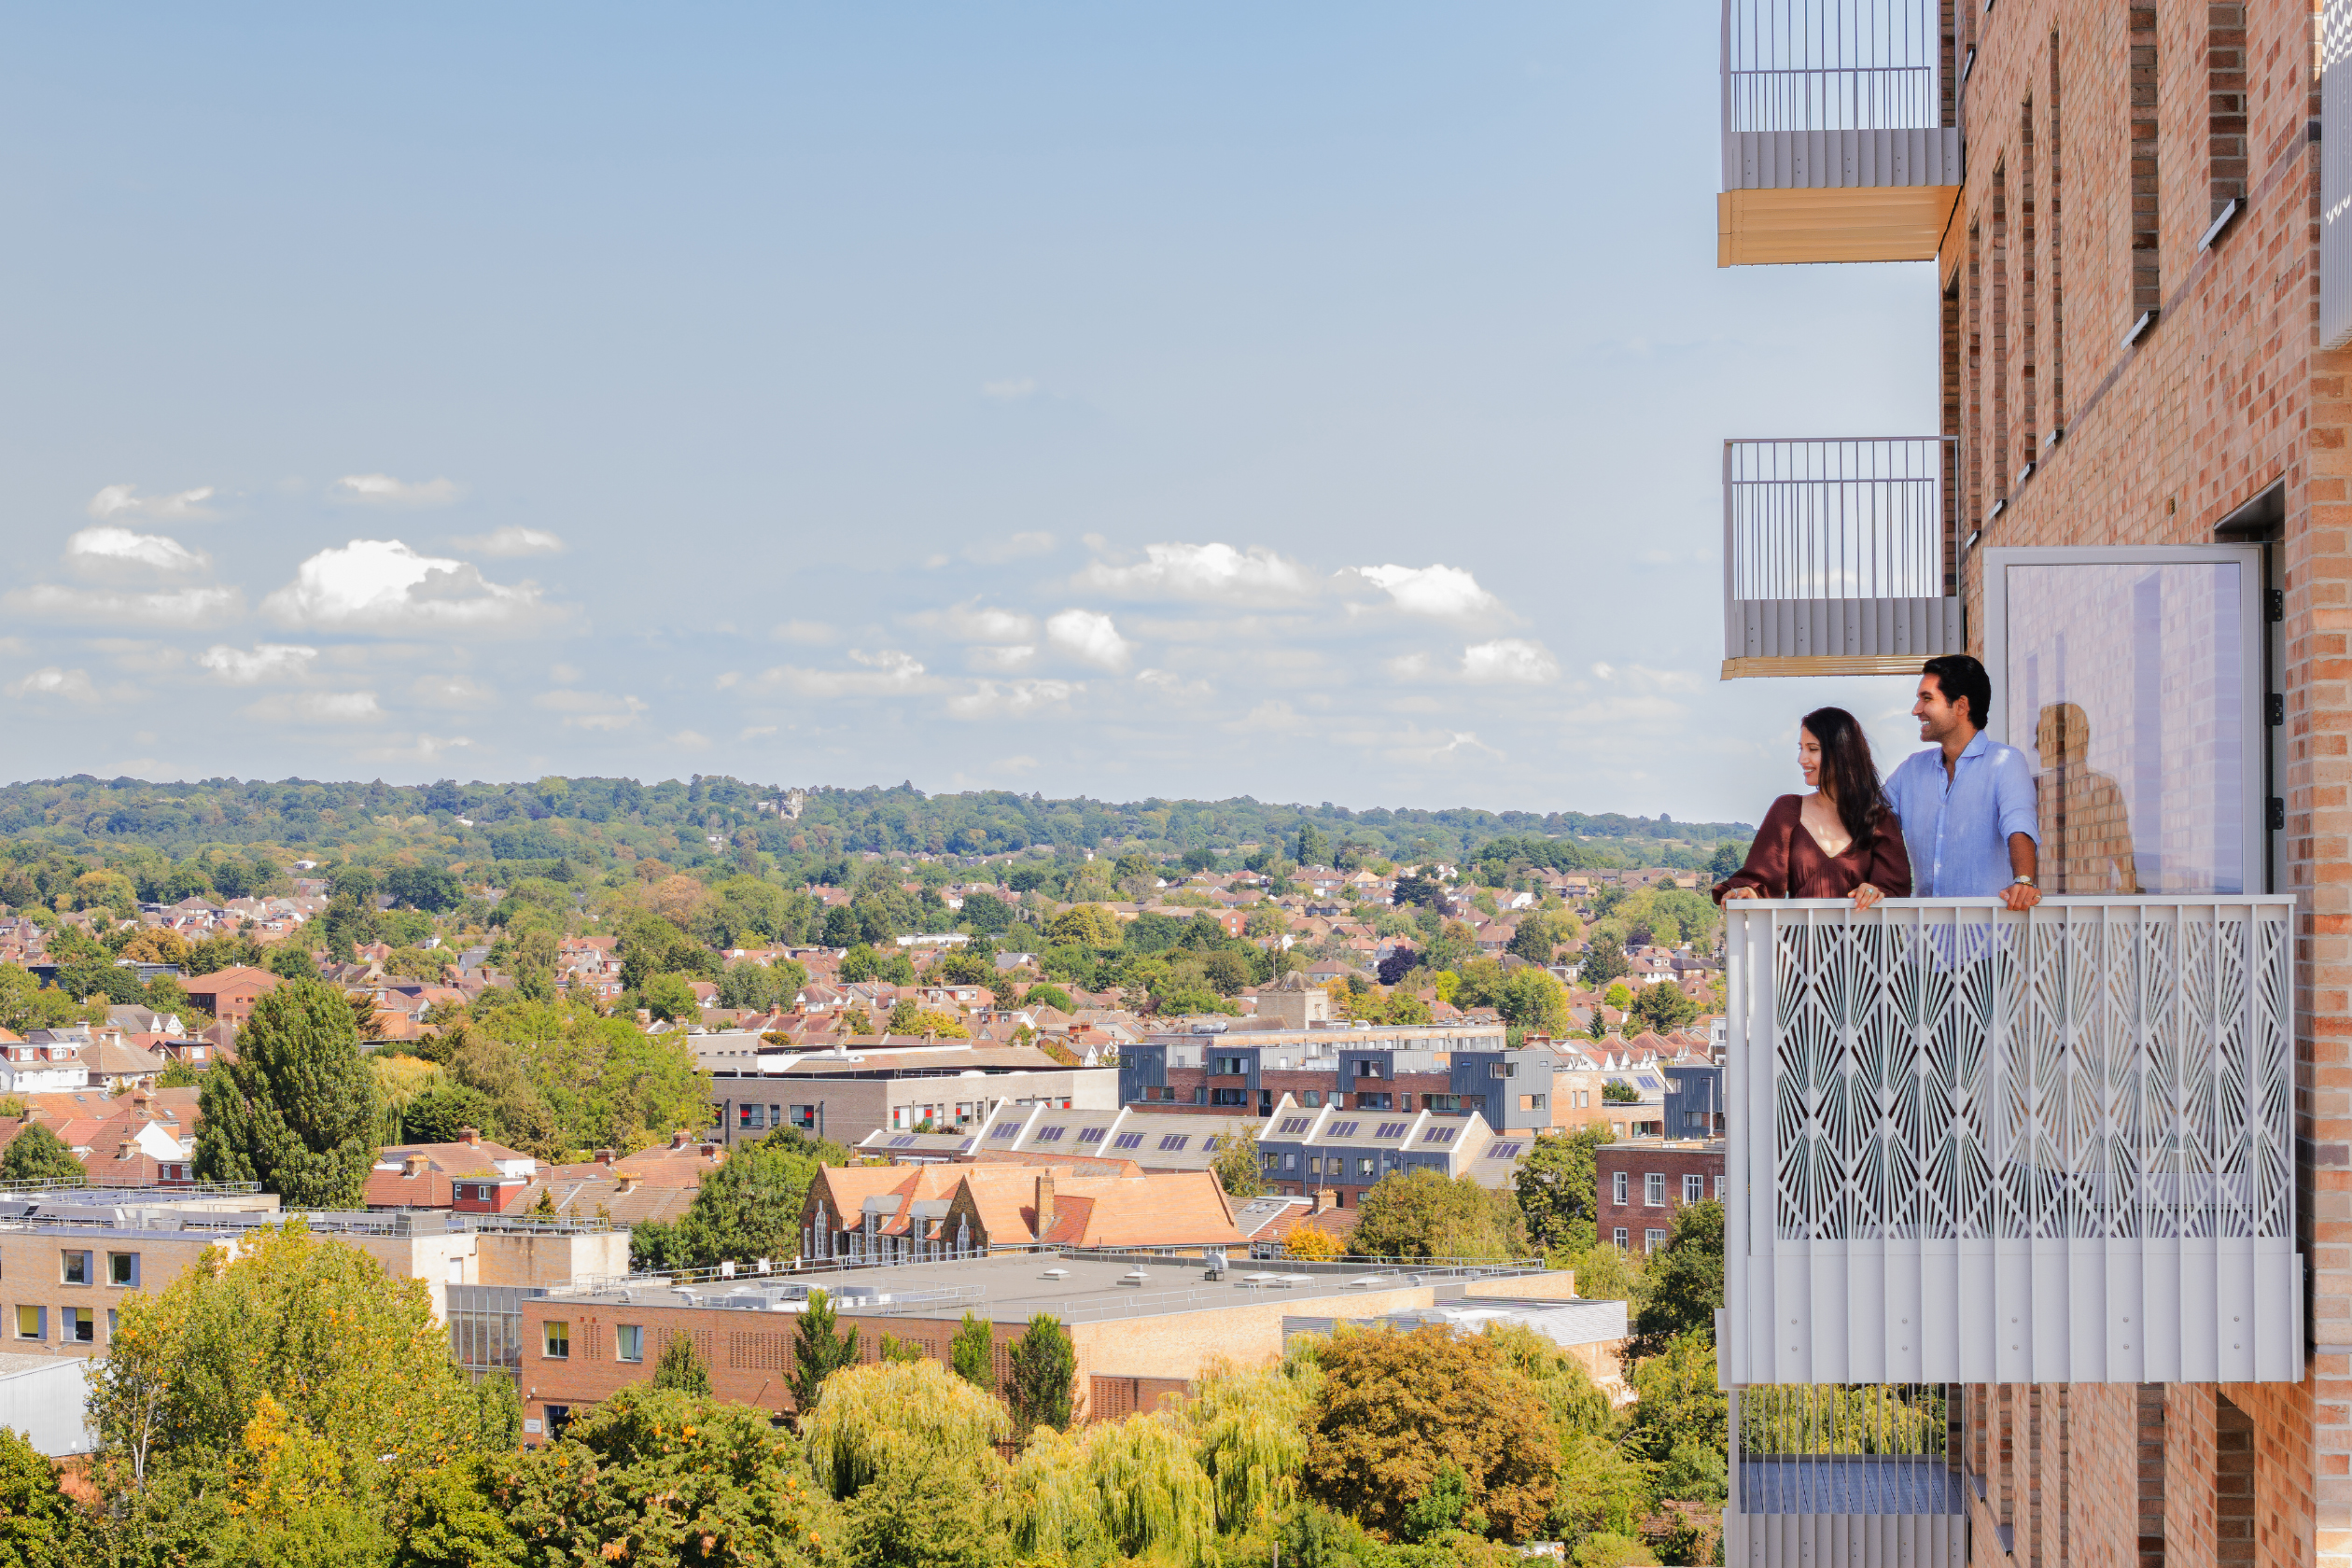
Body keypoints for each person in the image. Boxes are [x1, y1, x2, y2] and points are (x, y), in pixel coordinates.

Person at [1883, 653, 2042, 908]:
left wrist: (2023, 881)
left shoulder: (2005, 762)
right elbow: (1867, 819)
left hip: (1988, 941)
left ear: (1960, 706)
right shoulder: (1911, 769)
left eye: (1926, 699)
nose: (1916, 710)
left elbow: (2019, 824)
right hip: (1924, 942)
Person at [1714, 706, 1911, 906]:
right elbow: (1761, 879)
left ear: (1842, 753)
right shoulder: (1788, 810)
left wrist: (1873, 892)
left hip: (1861, 937)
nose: (1801, 759)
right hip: (1799, 937)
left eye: (1813, 749)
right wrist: (1748, 892)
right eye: (1801, 748)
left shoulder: (1879, 820)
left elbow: (1894, 892)